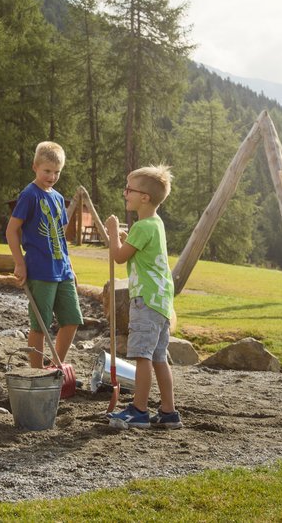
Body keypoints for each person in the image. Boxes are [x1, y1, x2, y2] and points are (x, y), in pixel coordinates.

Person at [106, 164, 181, 429]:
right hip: (160, 302)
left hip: (145, 302)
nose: (125, 193)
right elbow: (136, 251)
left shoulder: (141, 226)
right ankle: (169, 412)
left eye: (129, 189)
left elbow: (118, 256)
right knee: (159, 357)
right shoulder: (154, 225)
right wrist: (126, 238)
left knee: (142, 357)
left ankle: (139, 410)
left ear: (145, 197)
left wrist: (113, 232)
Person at [6, 141, 83, 368]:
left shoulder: (59, 198)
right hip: (40, 271)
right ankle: (37, 371)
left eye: (56, 172)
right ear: (35, 167)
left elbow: (60, 237)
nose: (51, 176)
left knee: (72, 320)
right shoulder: (29, 195)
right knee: (40, 324)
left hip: (63, 270)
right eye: (47, 171)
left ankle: (55, 364)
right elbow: (12, 231)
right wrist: (19, 263)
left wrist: (70, 267)